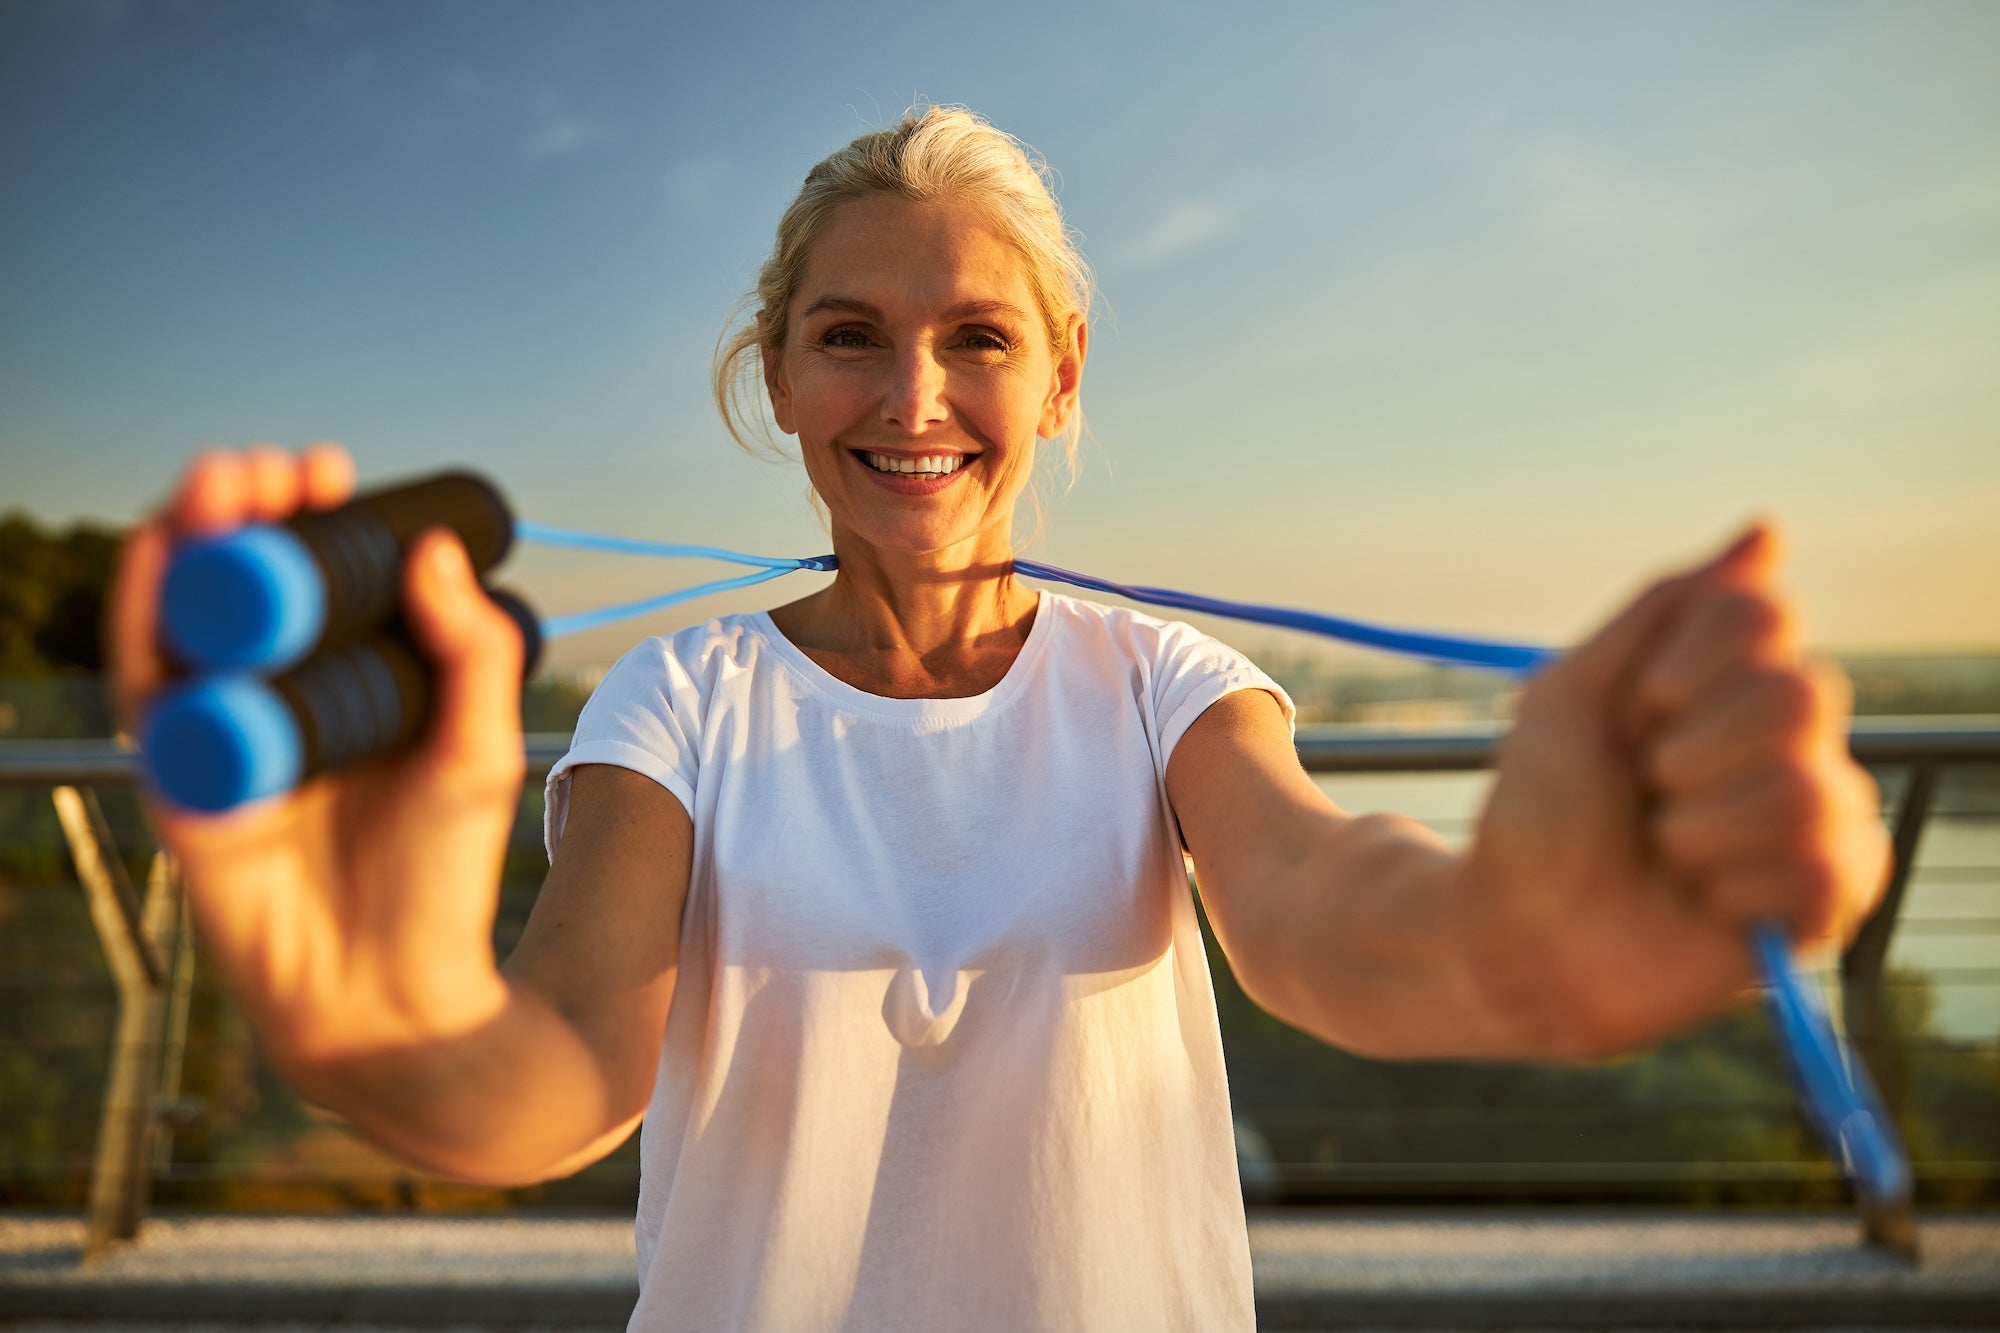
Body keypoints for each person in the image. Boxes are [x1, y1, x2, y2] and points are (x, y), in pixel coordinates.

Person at [112, 107, 1891, 1330]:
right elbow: (566, 1067)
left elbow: (1327, 912)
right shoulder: (680, 696)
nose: (914, 397)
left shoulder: (1163, 680)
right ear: (780, 377)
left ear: (1062, 373)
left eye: (977, 338)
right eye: (849, 336)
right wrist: (377, 1028)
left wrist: (1521, 936)